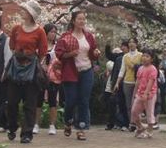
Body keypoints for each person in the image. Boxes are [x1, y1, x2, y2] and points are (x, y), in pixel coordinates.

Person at [6, 0, 48, 144]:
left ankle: (27, 133)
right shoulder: (16, 28)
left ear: (31, 14)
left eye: (25, 10)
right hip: (16, 66)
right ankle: (12, 127)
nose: (22, 11)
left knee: (30, 103)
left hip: (31, 69)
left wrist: (31, 59)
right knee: (11, 101)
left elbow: (43, 52)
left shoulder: (40, 31)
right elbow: (12, 45)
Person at [55, 9, 100, 141]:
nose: (82, 21)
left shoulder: (89, 36)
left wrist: (95, 53)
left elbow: (92, 52)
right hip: (71, 72)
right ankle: (68, 121)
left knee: (84, 100)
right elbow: (59, 54)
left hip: (87, 71)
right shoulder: (66, 36)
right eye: (79, 19)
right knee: (71, 101)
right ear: (73, 21)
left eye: (84, 19)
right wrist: (69, 54)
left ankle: (81, 128)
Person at [34, 23, 60, 135]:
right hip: (40, 75)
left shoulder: (57, 46)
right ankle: (36, 124)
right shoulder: (39, 45)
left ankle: (52, 125)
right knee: (38, 100)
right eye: (51, 32)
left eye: (55, 32)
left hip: (53, 76)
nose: (53, 34)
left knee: (53, 101)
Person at [114, 38, 141, 130]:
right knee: (129, 104)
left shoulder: (141, 55)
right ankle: (132, 123)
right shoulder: (125, 57)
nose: (131, 44)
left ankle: (138, 122)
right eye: (130, 42)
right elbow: (122, 70)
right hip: (127, 82)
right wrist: (117, 82)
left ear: (136, 44)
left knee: (137, 103)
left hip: (138, 82)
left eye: (133, 42)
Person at [130, 48, 158, 139]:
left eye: (147, 56)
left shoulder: (153, 69)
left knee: (149, 112)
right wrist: (135, 92)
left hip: (150, 94)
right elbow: (138, 81)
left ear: (152, 59)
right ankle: (140, 127)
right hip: (140, 93)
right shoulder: (140, 68)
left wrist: (146, 94)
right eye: (143, 56)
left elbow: (151, 82)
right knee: (134, 111)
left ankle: (150, 130)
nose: (144, 58)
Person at [104, 44, 124, 130]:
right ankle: (111, 123)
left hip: (125, 82)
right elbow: (110, 58)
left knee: (121, 104)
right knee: (112, 103)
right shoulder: (117, 59)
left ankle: (122, 122)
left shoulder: (125, 57)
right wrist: (108, 47)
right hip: (113, 84)